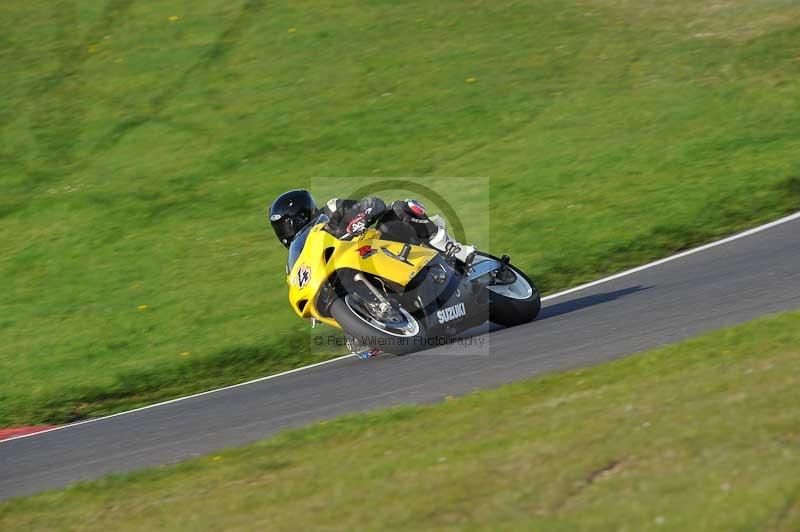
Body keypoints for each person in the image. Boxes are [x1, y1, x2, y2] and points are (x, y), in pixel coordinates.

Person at [268, 189, 475, 266]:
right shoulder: (300, 257)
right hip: (358, 267)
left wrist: (354, 224)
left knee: (400, 208)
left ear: (302, 215)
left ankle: (453, 249)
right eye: (280, 229)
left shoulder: (331, 210)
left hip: (383, 246)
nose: (284, 233)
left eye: (286, 226)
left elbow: (373, 204)